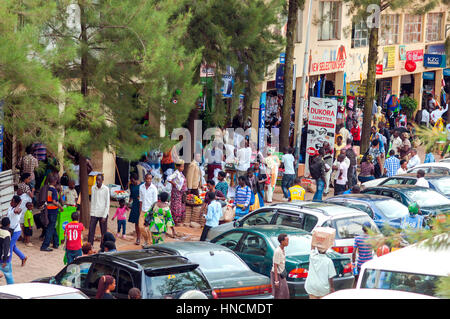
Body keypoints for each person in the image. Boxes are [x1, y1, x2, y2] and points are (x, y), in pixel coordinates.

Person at [87, 174, 110, 248]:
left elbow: (107, 203)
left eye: (99, 180)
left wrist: (104, 215)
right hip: (94, 213)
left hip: (103, 213)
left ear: (102, 180)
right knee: (91, 230)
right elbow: (93, 201)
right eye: (97, 179)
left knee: (103, 232)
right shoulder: (93, 188)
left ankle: (103, 247)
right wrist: (92, 213)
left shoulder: (106, 189)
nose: (98, 181)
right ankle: (90, 245)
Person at [7, 195, 27, 266]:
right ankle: (23, 257)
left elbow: (16, 211)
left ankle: (8, 263)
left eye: (12, 201)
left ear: (16, 203)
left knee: (10, 247)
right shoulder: (10, 207)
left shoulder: (19, 209)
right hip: (11, 230)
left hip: (16, 231)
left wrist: (19, 203)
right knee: (13, 246)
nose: (11, 202)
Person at [138, 173, 157, 248]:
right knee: (141, 227)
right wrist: (140, 210)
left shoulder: (154, 188)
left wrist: (153, 213)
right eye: (147, 179)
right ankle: (146, 240)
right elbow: (141, 200)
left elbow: (155, 202)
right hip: (143, 210)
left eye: (150, 179)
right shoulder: (141, 187)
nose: (148, 180)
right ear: (145, 179)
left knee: (149, 229)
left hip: (150, 211)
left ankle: (149, 243)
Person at [167, 160, 188, 226]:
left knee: (180, 206)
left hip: (180, 193)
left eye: (183, 166)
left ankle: (179, 220)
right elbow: (168, 178)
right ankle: (175, 220)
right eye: (182, 166)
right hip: (176, 193)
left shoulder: (180, 173)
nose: (183, 168)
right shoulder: (176, 173)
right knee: (176, 206)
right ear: (178, 167)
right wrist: (174, 184)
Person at [271, 233, 290, 299]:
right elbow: (275, 266)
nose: (288, 242)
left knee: (285, 293)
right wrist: (276, 281)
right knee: (279, 294)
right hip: (277, 275)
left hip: (282, 274)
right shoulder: (277, 251)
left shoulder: (282, 250)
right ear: (282, 241)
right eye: (286, 241)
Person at [128, 173, 142, 245]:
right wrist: (128, 203)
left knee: (143, 222)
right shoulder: (131, 185)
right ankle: (138, 238)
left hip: (141, 204)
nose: (132, 182)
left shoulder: (142, 185)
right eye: (131, 181)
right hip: (135, 204)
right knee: (137, 222)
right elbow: (131, 195)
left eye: (133, 180)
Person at [0, 217, 14, 284]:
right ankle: (11, 289)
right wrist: (5, 260)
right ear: (9, 224)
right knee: (8, 275)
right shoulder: (7, 234)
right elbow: (6, 248)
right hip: (4, 258)